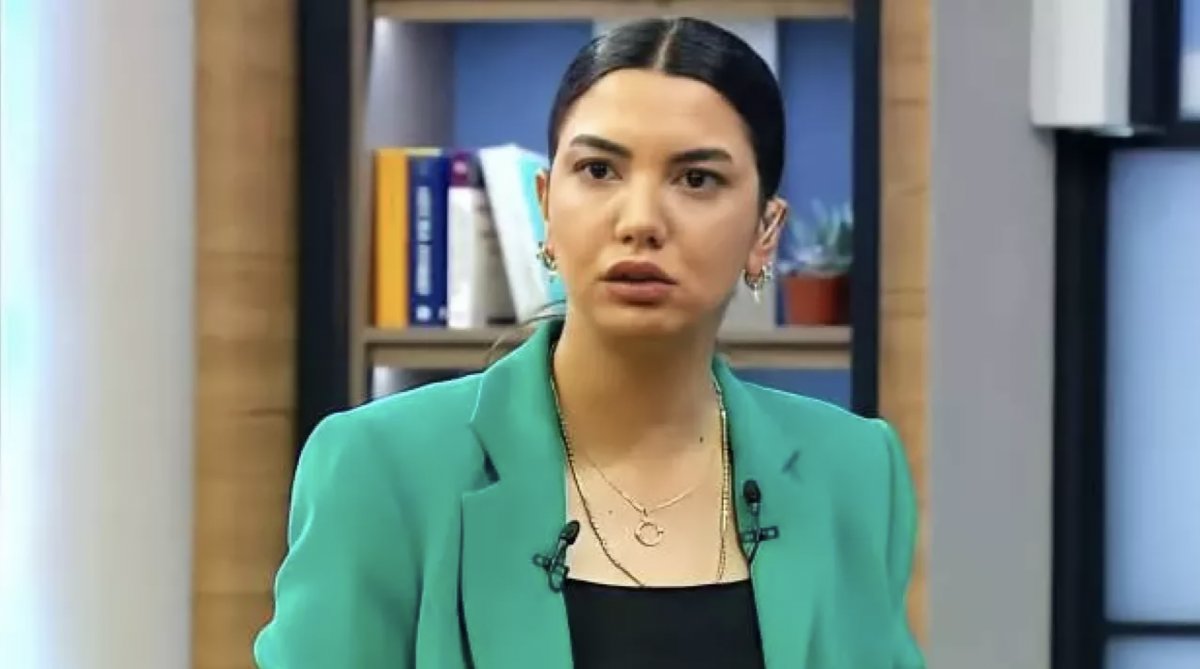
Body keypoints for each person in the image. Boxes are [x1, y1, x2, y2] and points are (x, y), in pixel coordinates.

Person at [254, 16, 925, 669]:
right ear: (547, 207)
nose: (640, 221)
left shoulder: (855, 471)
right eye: (600, 170)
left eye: (696, 179)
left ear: (765, 231)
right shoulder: (381, 468)